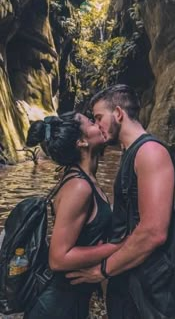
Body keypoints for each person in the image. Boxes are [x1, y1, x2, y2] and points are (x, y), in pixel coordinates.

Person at [66, 84, 175, 318]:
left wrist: (103, 271)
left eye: (98, 118)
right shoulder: (133, 152)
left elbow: (153, 232)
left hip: (152, 287)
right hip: (133, 280)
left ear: (118, 113)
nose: (96, 127)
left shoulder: (150, 153)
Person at [24, 111, 123, 319]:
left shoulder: (86, 180)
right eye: (92, 122)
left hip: (70, 305)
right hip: (55, 308)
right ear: (81, 142)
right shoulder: (79, 187)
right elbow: (58, 258)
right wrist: (118, 247)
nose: (99, 124)